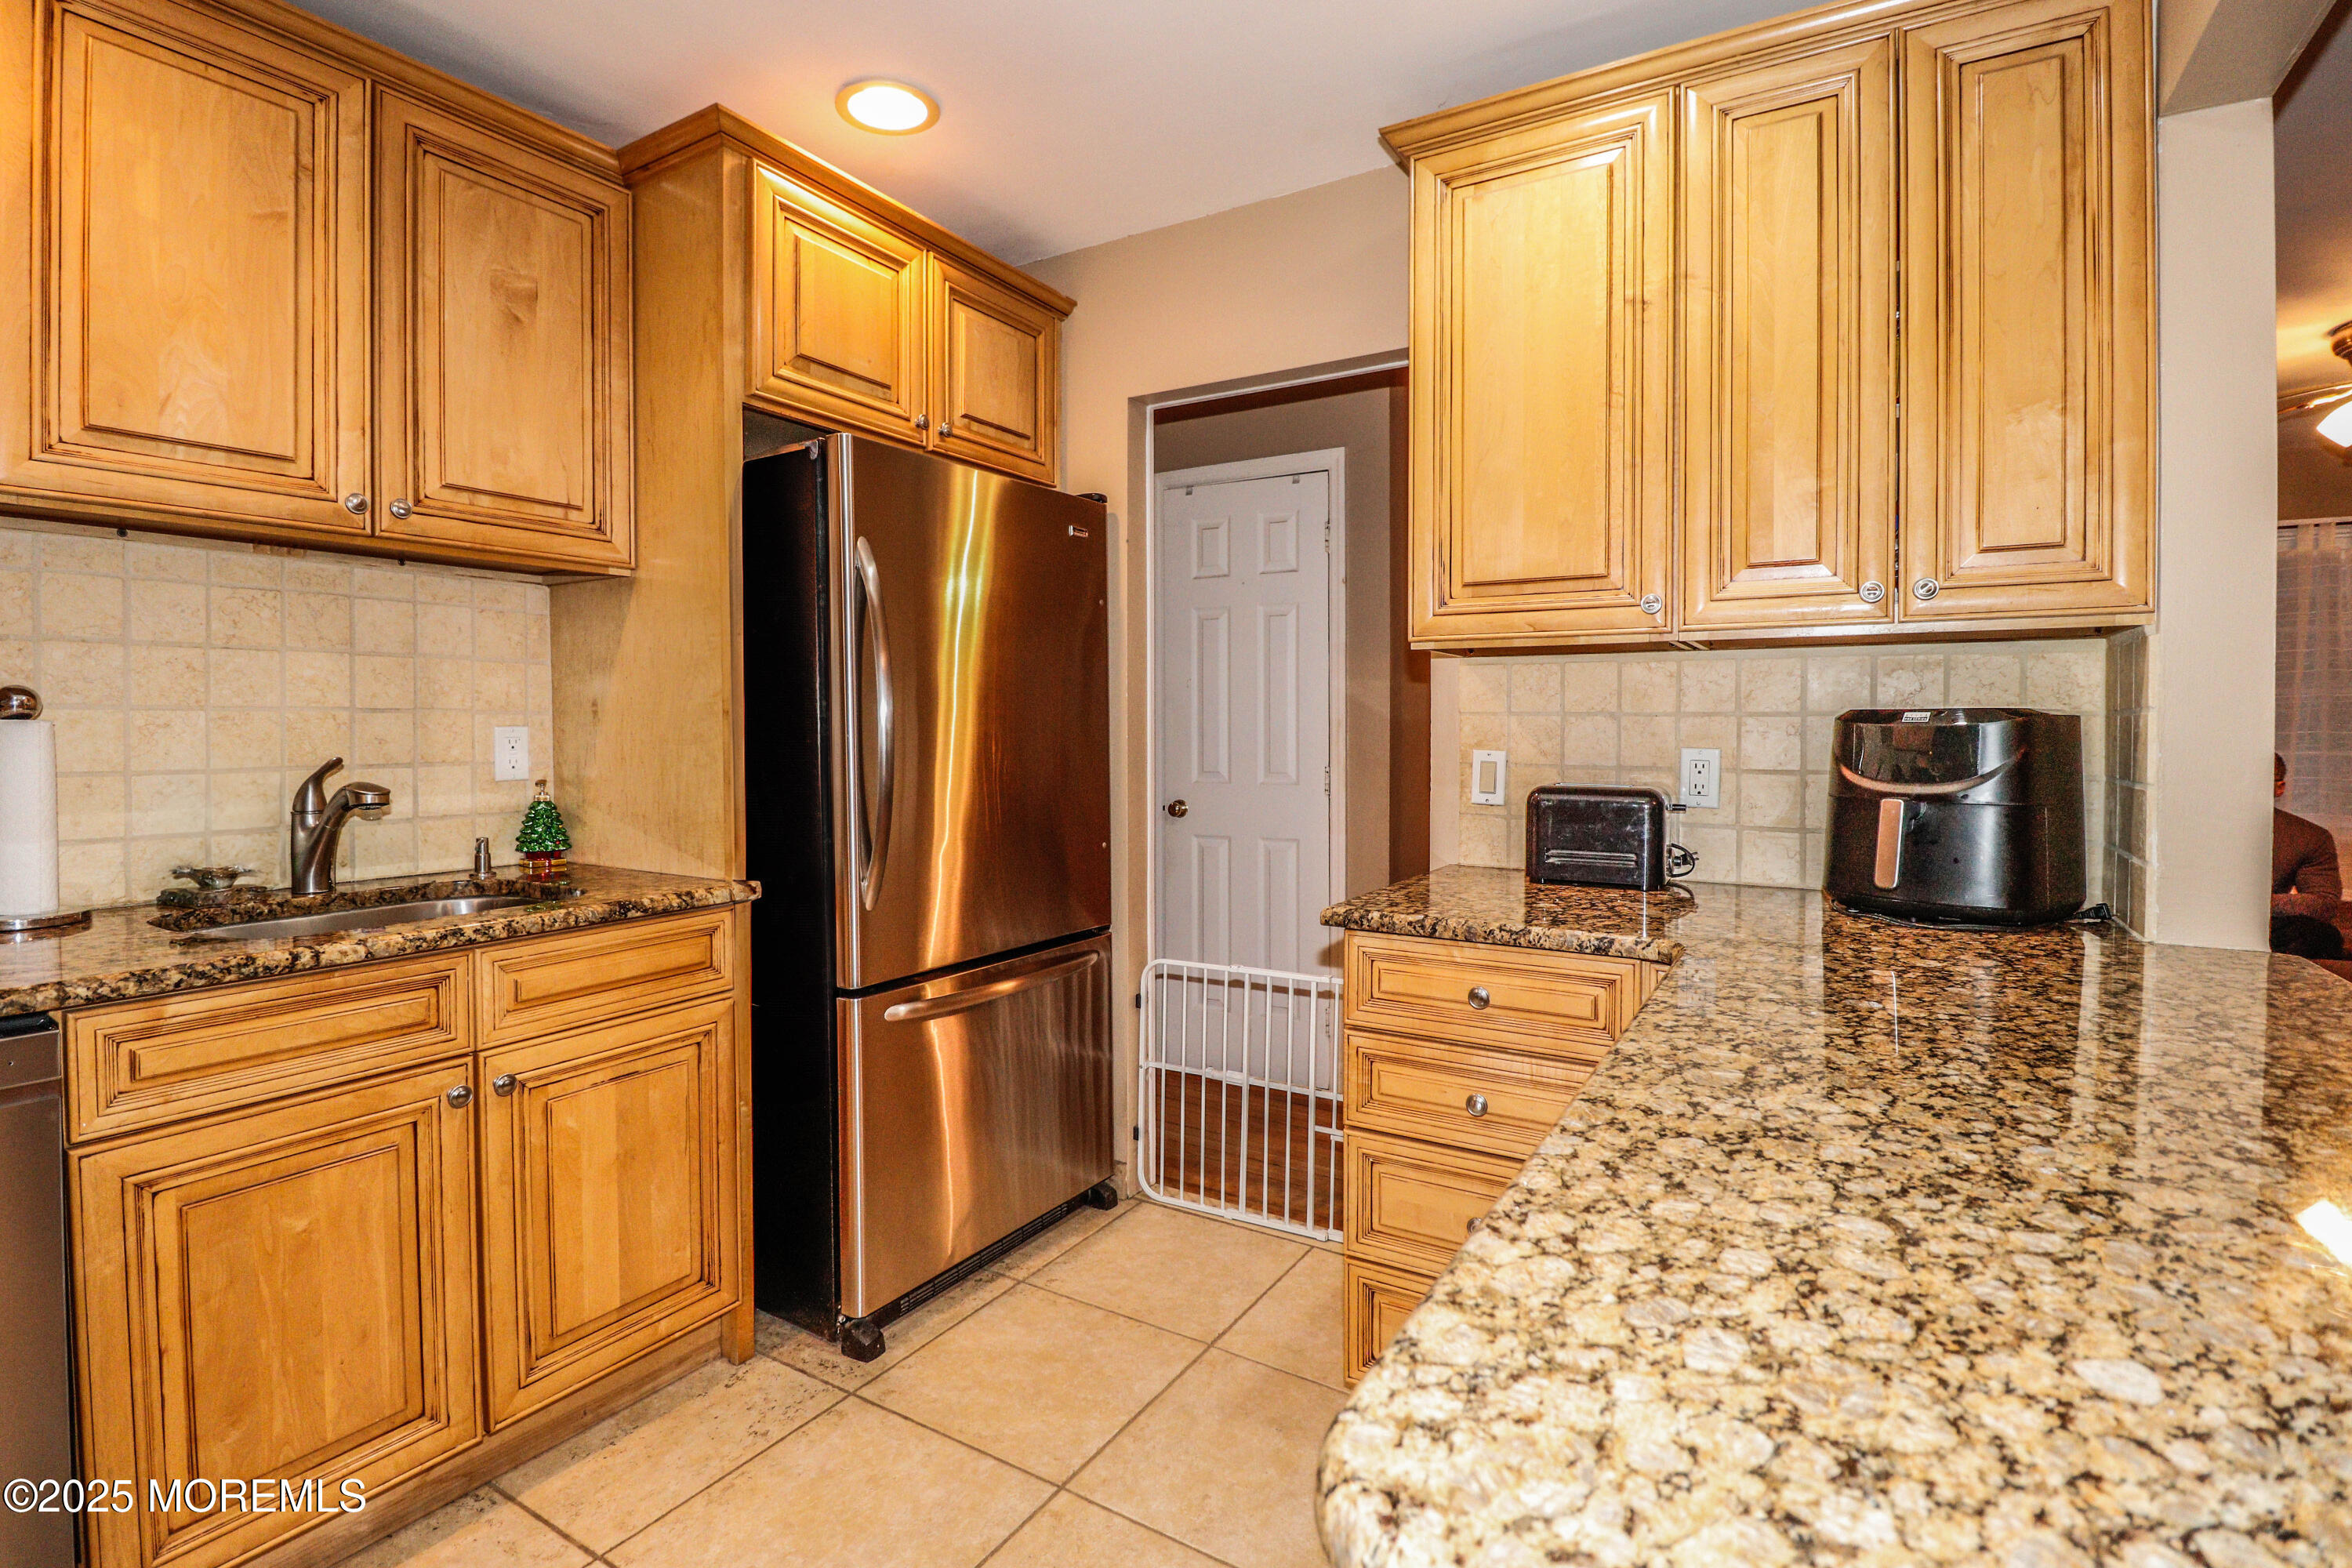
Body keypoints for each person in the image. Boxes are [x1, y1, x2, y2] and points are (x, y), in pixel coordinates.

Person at [2273, 753, 2346, 960]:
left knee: (2321, 936)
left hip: (2265, 923)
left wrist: (2256, 904)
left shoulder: (2308, 836)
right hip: (2197, 916)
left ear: (2280, 788)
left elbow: (2324, 903)